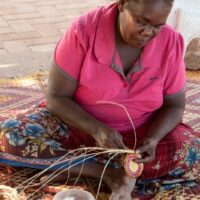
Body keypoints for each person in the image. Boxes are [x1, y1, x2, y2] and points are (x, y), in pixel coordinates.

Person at [0, 0, 200, 199]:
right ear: (122, 4)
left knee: (194, 151)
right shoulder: (84, 31)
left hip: (139, 139)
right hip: (76, 128)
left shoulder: (171, 42)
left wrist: (153, 139)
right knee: (10, 135)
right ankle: (109, 173)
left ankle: (74, 167)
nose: (148, 32)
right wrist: (97, 129)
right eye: (141, 21)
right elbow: (56, 97)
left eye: (158, 25)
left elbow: (175, 105)